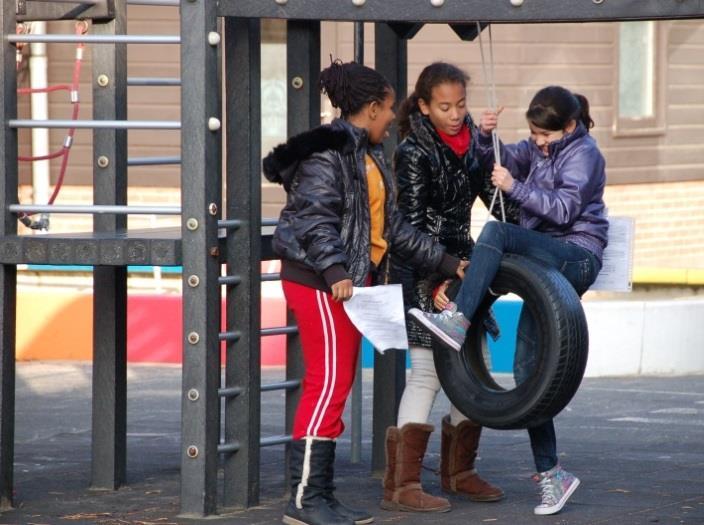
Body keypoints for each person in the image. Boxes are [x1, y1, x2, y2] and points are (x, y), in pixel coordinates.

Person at [263, 60, 466, 525]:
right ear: (372, 108)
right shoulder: (329, 154)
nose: (393, 117)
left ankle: (320, 496)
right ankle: (305, 501)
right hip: (322, 283)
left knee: (336, 382)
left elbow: (392, 228)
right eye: (389, 109)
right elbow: (315, 217)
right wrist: (335, 270)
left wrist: (449, 263)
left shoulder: (366, 156)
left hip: (344, 284)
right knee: (329, 383)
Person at [409, 85, 609, 516]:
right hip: (543, 259)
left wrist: (514, 187)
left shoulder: (585, 155)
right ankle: (554, 476)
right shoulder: (537, 148)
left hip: (575, 254)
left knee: (496, 231)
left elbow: (562, 210)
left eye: (545, 136)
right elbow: (498, 160)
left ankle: (459, 320)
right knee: (530, 371)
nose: (537, 142)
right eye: (534, 134)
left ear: (569, 126)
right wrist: (485, 136)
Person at [381, 62, 514, 514]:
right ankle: (403, 484)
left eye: (460, 104)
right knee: (428, 372)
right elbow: (409, 229)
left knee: (473, 364)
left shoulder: (471, 141)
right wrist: (442, 273)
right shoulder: (413, 150)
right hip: (425, 268)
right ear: (423, 106)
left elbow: (493, 200)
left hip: (463, 267)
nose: (456, 113)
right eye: (444, 106)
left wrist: (510, 181)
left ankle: (460, 472)